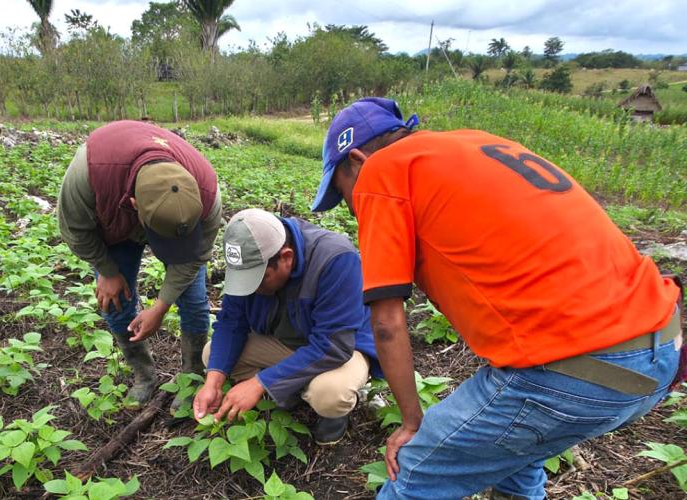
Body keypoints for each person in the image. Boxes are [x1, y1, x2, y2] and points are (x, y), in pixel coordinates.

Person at [311, 97, 683, 499]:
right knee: (518, 455)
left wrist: (413, 423)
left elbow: (386, 324)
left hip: (580, 368)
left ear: (358, 161)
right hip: (660, 346)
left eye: (341, 191)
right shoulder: (473, 144)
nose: (350, 209)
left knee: (414, 472)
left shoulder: (383, 171)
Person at [58, 120, 222, 406]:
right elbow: (75, 231)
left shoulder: (207, 192)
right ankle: (144, 375)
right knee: (114, 300)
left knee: (194, 301)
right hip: (113, 220)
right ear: (134, 205)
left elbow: (194, 257)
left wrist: (161, 306)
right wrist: (107, 271)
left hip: (165, 218)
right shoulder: (89, 173)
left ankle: (192, 376)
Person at [192, 208, 382, 445]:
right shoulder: (250, 257)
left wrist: (261, 382)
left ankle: (332, 405)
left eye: (258, 279)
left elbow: (333, 346)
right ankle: (294, 388)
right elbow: (231, 323)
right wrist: (214, 383)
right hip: (287, 343)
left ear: (287, 257)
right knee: (213, 357)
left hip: (341, 348)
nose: (249, 288)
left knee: (330, 394)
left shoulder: (335, 259)